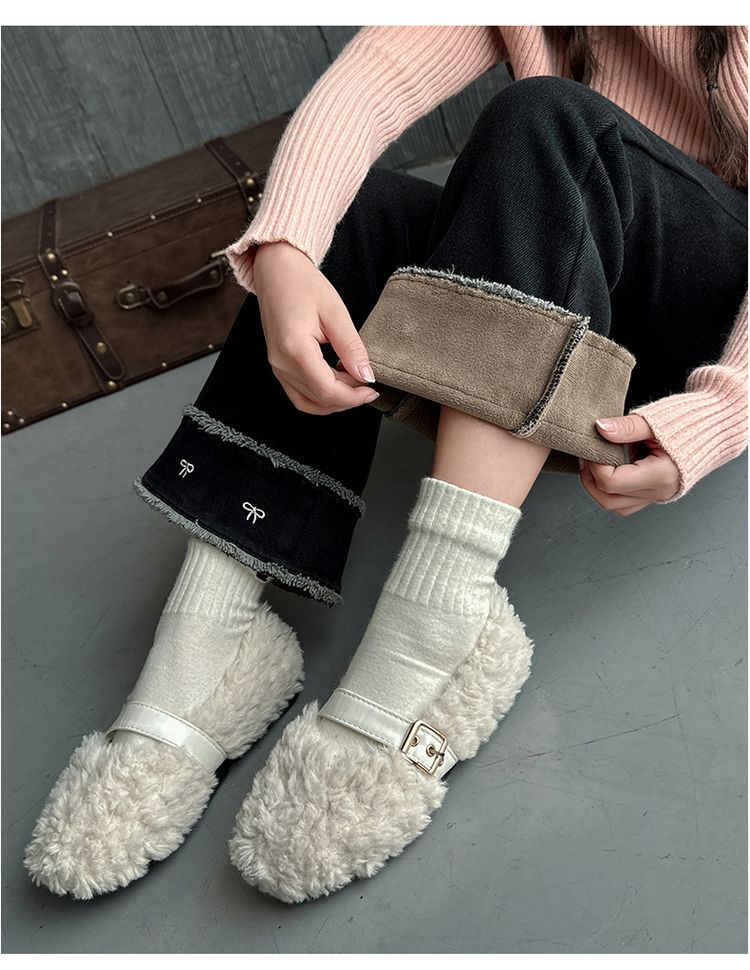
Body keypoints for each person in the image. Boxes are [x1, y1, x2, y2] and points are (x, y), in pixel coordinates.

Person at [25, 25, 747, 903]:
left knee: (549, 119)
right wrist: (285, 254)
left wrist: (722, 410)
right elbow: (370, 82)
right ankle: (212, 631)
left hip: (699, 323)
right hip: (561, 269)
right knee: (345, 210)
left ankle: (442, 611)